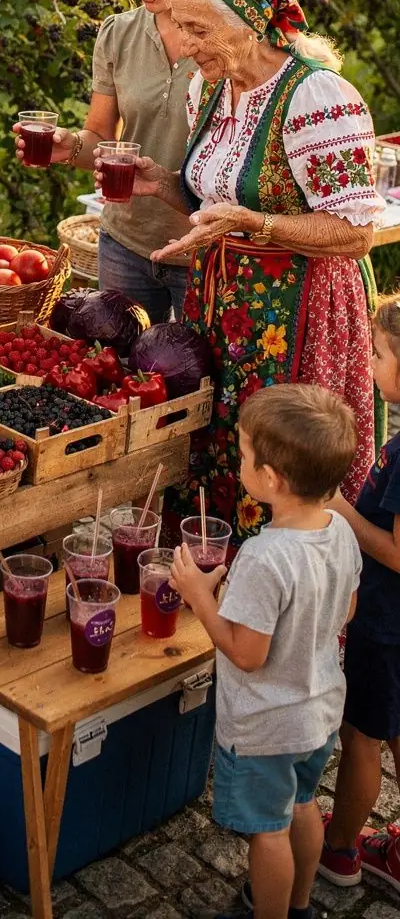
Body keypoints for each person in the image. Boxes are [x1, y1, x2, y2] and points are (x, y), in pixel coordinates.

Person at [120, 0, 382, 543]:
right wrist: (162, 183)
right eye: (179, 29)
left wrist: (255, 223)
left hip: (301, 313)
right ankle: (217, 585)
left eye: (197, 30)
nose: (184, 46)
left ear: (250, 22)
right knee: (220, 445)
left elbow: (354, 232)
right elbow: (216, 206)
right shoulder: (207, 91)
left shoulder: (318, 97)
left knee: (284, 458)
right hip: (223, 308)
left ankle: (288, 596)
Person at [172, 384, 361, 919]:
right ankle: (299, 906)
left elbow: (246, 654)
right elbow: (345, 609)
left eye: (244, 452)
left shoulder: (262, 556)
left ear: (271, 479)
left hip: (265, 729)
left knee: (268, 834)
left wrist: (200, 597)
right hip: (319, 712)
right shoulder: (342, 532)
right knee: (302, 806)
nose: (240, 461)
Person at [15, 0, 234, 323]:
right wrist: (69, 146)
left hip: (207, 249)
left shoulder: (232, 39)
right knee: (123, 371)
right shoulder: (118, 33)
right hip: (125, 244)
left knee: (200, 380)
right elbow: (101, 135)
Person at [318, 295, 400, 894]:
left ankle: (341, 849)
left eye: (377, 355)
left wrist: (342, 510)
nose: (368, 366)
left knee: (362, 737)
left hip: (385, 624)